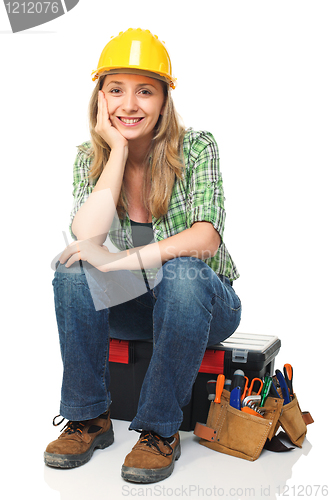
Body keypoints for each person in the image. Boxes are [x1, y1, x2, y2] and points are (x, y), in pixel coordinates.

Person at [44, 28, 241, 483]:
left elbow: (204, 239)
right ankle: (88, 417)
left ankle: (158, 430)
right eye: (116, 90)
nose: (129, 105)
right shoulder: (87, 159)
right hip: (135, 307)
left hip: (205, 305)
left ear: (164, 100)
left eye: (145, 91)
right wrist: (115, 152)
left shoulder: (197, 147)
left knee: (186, 274)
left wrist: (118, 262)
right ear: (99, 98)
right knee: (71, 270)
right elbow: (84, 237)